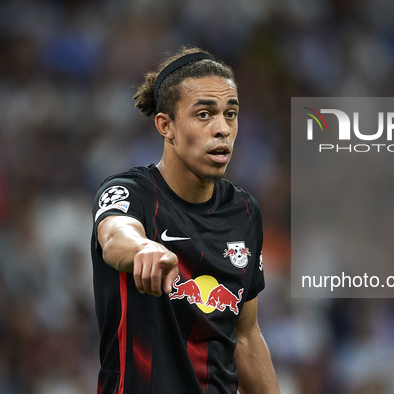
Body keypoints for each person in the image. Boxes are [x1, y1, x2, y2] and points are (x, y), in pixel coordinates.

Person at [91, 47, 281, 394]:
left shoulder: (245, 211)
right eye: (204, 114)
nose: (223, 129)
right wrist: (143, 249)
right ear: (167, 126)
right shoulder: (130, 192)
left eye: (231, 113)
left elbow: (246, 335)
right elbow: (115, 234)